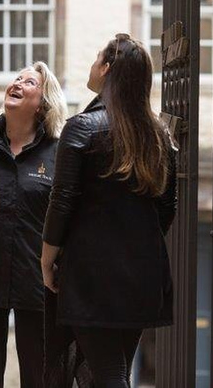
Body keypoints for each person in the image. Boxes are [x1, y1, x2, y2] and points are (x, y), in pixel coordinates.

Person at [42, 33, 177, 388]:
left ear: (106, 69)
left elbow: (62, 201)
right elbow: (166, 208)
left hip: (91, 275)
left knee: (109, 372)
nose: (92, 64)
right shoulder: (159, 135)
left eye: (96, 58)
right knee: (115, 369)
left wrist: (47, 259)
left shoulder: (81, 129)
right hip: (142, 273)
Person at [0, 62, 67, 388]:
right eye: (17, 78)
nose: (18, 83)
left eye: (30, 82)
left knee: (39, 378)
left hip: (38, 281)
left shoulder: (58, 153)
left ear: (43, 103)